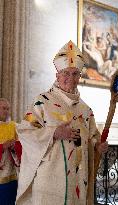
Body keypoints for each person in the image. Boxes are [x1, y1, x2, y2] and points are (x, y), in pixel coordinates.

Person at [16, 40, 108, 205]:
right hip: (50, 184)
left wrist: (97, 146)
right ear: (57, 75)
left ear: (80, 76)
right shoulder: (42, 102)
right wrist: (54, 133)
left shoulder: (86, 110)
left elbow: (93, 138)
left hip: (78, 184)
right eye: (66, 73)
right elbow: (25, 132)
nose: (70, 78)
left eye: (75, 74)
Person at [0, 98, 22, 205]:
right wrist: (3, 146)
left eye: (8, 109)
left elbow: (22, 147)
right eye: (4, 108)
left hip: (12, 177)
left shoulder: (14, 126)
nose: (7, 111)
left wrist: (15, 147)